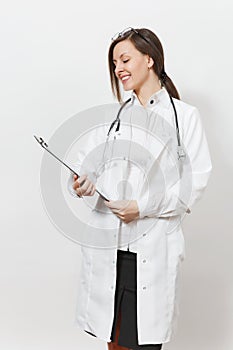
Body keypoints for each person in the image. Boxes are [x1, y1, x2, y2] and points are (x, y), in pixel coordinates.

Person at [69, 28, 212, 350]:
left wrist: (142, 207)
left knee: (143, 344)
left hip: (151, 246)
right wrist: (82, 183)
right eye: (114, 62)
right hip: (111, 246)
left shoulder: (185, 117)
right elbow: (86, 165)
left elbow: (195, 181)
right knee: (115, 341)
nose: (118, 68)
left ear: (149, 59)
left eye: (125, 59)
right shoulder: (114, 118)